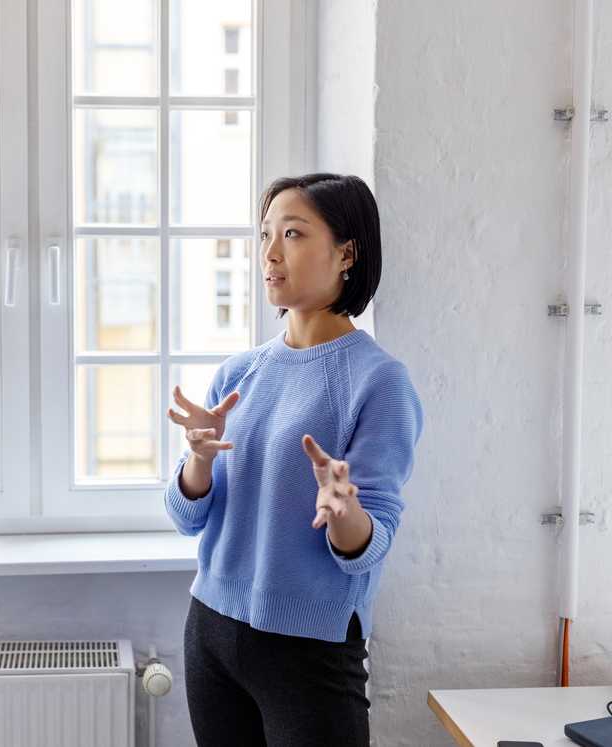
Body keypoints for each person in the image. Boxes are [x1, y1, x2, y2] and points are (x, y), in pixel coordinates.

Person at [165, 173, 423, 746]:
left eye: (293, 233)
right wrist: (198, 465)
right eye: (264, 235)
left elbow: (366, 550)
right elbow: (186, 519)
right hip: (210, 632)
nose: (270, 253)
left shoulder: (379, 382)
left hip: (308, 650)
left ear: (347, 253)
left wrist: (344, 512)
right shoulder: (239, 373)